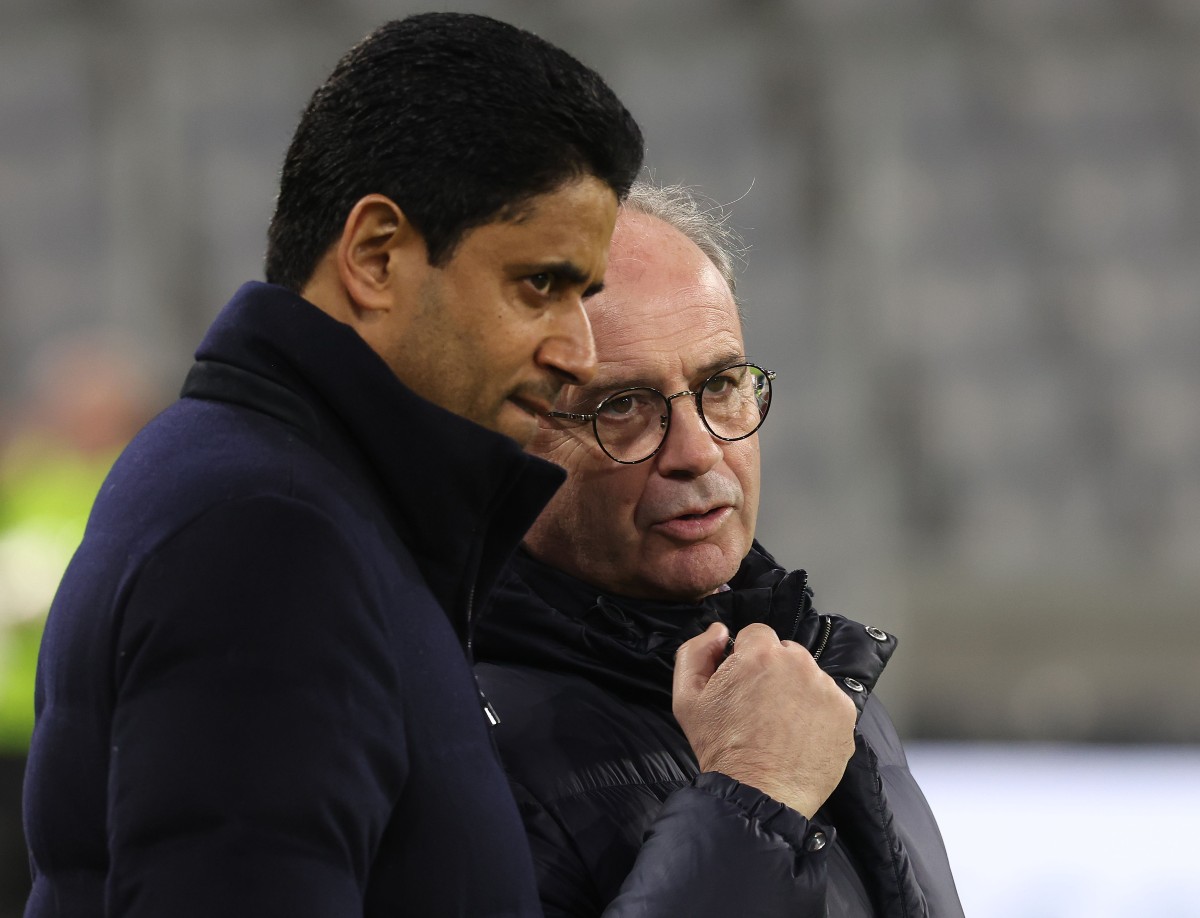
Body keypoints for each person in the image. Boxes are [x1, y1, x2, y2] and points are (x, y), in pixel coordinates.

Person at [22, 14, 643, 917]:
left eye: (585, 295)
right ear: (376, 256)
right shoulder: (266, 537)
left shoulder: (280, 489)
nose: (580, 351)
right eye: (540, 284)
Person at [474, 183, 966, 916]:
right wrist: (753, 796)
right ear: (506, 436)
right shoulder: (454, 747)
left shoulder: (818, 679)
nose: (698, 452)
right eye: (623, 406)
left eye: (722, 383)